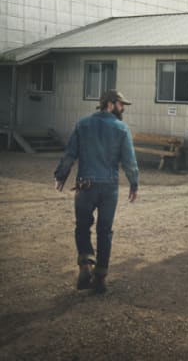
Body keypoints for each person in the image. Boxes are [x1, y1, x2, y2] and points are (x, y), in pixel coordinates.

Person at [54, 90, 139, 293]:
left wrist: (61, 176)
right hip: (109, 187)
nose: (123, 108)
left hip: (86, 185)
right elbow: (129, 161)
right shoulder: (122, 128)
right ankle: (100, 278)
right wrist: (134, 183)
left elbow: (70, 154)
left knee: (82, 227)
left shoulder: (83, 124)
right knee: (105, 231)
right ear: (110, 104)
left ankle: (85, 264)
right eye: (120, 104)